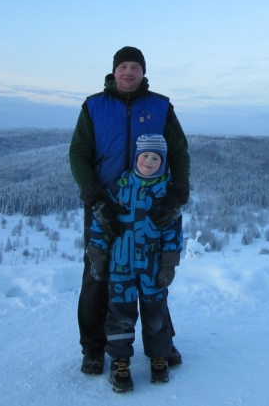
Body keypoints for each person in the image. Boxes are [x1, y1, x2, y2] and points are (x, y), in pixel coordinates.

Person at [69, 46, 190, 375]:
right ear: (114, 71)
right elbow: (79, 153)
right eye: (123, 66)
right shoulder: (94, 105)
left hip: (152, 204)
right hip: (105, 205)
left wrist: (177, 193)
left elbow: (178, 152)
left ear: (143, 72)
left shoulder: (160, 106)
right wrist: (95, 197)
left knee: (151, 275)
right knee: (98, 273)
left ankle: (163, 343)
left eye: (135, 67)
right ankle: (93, 348)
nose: (129, 72)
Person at [86, 134, 183, 393]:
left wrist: (168, 265)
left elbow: (173, 234)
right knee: (120, 316)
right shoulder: (118, 188)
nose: (149, 162)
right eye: (145, 156)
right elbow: (101, 225)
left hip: (152, 270)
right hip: (120, 269)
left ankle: (159, 357)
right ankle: (120, 363)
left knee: (156, 314)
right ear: (136, 158)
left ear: (162, 163)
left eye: (156, 158)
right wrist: (99, 257)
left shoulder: (165, 193)